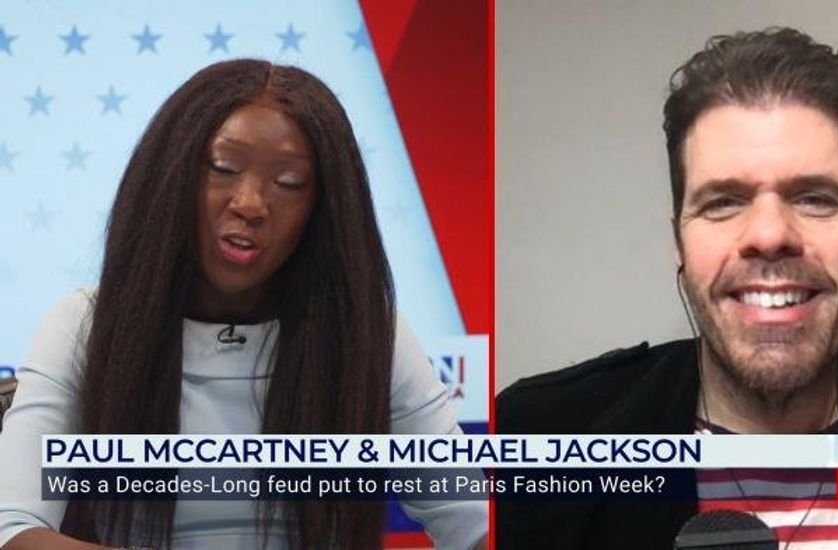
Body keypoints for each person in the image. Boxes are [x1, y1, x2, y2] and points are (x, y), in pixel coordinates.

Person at [496, 28, 838, 549]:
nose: (769, 236)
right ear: (679, 242)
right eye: (723, 202)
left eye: (816, 198)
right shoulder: (536, 447)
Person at [0, 59, 487, 550]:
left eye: (289, 182)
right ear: (170, 177)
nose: (250, 204)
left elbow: (476, 523)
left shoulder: (369, 334)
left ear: (323, 208)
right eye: (224, 169)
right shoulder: (84, 324)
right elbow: (13, 528)